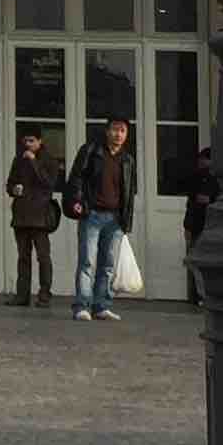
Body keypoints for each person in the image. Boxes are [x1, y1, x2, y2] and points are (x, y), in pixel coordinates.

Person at [63, 116, 138, 323]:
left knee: (108, 265)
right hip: (92, 214)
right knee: (87, 261)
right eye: (114, 130)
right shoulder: (91, 152)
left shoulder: (127, 160)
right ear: (107, 131)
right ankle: (82, 306)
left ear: (126, 134)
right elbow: (76, 177)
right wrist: (77, 200)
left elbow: (130, 192)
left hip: (115, 219)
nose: (118, 134)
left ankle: (102, 305)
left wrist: (125, 222)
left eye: (122, 131)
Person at [4, 129, 61, 306]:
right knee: (23, 257)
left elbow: (49, 183)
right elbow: (10, 183)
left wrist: (34, 161)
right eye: (25, 140)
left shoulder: (49, 160)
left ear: (40, 141)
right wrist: (14, 189)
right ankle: (22, 295)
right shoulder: (18, 159)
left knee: (43, 257)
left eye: (31, 140)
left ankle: (44, 295)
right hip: (21, 214)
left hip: (41, 216)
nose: (28, 144)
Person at [182, 146, 221, 303]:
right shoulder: (197, 178)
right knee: (195, 261)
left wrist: (210, 200)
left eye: (204, 159)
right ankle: (201, 295)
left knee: (210, 262)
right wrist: (187, 226)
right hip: (198, 226)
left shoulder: (220, 180)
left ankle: (209, 294)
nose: (201, 163)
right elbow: (191, 204)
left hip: (214, 227)